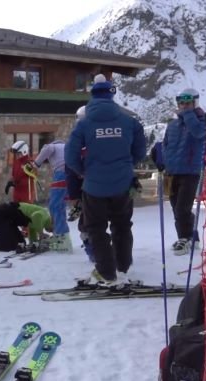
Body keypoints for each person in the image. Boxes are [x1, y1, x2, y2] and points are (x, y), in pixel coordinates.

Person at [66, 74, 147, 286]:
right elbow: (140, 151)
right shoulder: (129, 122)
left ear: (92, 95)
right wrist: (125, 165)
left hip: (94, 186)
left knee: (96, 228)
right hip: (122, 183)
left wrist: (84, 172)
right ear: (112, 96)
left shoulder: (84, 124)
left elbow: (70, 156)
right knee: (122, 225)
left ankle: (105, 272)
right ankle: (122, 268)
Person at [159, 88, 206, 256]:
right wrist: (162, 160)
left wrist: (188, 114)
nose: (184, 106)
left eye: (188, 102)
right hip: (171, 172)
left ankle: (184, 239)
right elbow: (166, 145)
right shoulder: (172, 125)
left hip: (190, 171)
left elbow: (199, 133)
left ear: (195, 103)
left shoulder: (201, 121)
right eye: (182, 103)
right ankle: (192, 237)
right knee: (175, 208)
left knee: (182, 209)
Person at [34, 136, 72, 252]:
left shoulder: (53, 146)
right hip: (70, 174)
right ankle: (61, 236)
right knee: (59, 205)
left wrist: (36, 164)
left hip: (61, 174)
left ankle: (61, 239)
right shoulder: (65, 147)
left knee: (55, 205)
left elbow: (48, 149)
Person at [67, 105, 94, 262]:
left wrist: (74, 196)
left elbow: (70, 168)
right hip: (91, 188)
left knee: (88, 224)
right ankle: (95, 250)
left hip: (91, 189)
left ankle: (97, 252)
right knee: (90, 222)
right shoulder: (79, 141)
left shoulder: (79, 140)